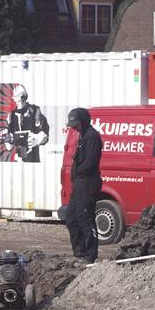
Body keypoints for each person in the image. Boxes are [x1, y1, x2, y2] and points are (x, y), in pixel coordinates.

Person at [65, 107, 102, 263]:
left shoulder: (92, 136)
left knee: (85, 218)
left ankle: (90, 255)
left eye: (76, 124)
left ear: (83, 121)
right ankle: (79, 252)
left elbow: (90, 162)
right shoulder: (83, 135)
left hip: (87, 182)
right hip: (79, 183)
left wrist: (78, 171)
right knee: (71, 218)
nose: (74, 128)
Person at [4, 87, 50, 162]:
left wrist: (37, 139)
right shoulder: (11, 116)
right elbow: (9, 147)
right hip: (18, 160)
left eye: (19, 98)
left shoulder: (35, 111)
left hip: (32, 159)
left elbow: (45, 134)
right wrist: (8, 140)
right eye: (15, 99)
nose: (17, 102)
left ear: (24, 97)